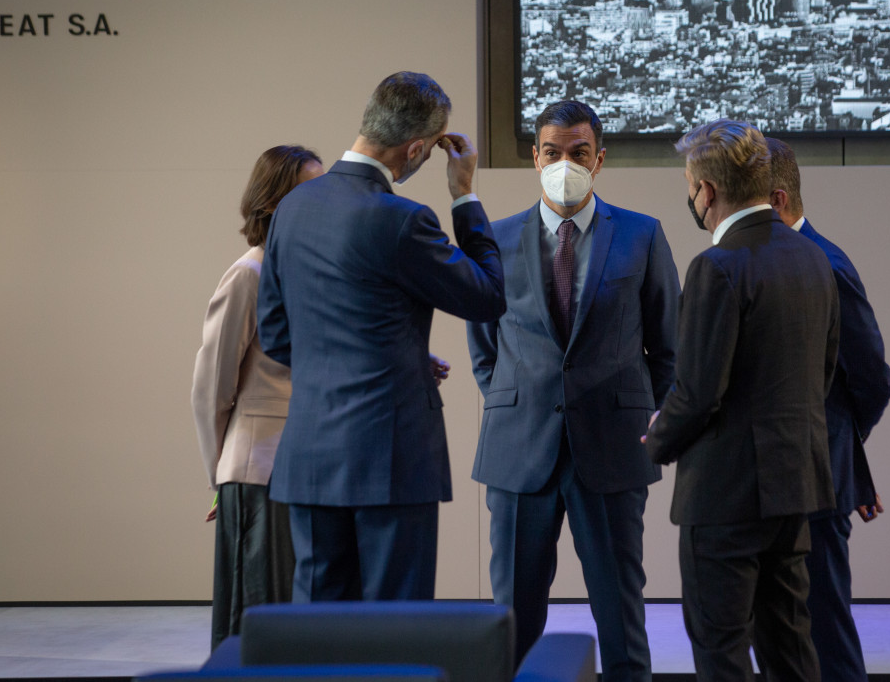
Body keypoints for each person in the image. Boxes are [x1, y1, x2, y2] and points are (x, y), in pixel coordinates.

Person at [256, 71, 506, 603]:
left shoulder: (293, 208)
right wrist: (464, 195)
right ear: (417, 148)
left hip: (310, 456)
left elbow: (275, 336)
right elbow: (487, 296)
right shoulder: (403, 218)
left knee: (316, 641)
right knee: (394, 632)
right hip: (390, 460)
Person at [466, 100, 680, 682]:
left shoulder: (641, 235)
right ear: (535, 158)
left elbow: (668, 347)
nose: (565, 163)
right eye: (553, 152)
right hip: (518, 451)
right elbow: (484, 349)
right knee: (509, 623)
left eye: (578, 153)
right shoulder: (495, 238)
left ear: (599, 160)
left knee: (621, 619)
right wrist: (518, 398)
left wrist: (643, 416)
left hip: (612, 450)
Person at [644, 120, 839, 682]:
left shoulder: (717, 267)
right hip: (794, 488)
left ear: (704, 190)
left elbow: (699, 392)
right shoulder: (813, 258)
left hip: (726, 498)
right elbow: (819, 377)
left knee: (721, 650)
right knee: (790, 648)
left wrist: (657, 437)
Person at [767, 138, 890, 682]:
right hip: (781, 483)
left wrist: (836, 443)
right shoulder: (770, 260)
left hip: (818, 485)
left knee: (826, 635)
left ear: (774, 200)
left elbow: (873, 379)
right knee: (785, 637)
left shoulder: (826, 264)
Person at [191, 144, 324, 649]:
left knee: (292, 625)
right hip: (257, 473)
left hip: (303, 472)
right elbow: (211, 390)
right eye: (307, 192)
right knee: (256, 623)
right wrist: (220, 476)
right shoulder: (248, 274)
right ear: (273, 203)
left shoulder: (304, 272)